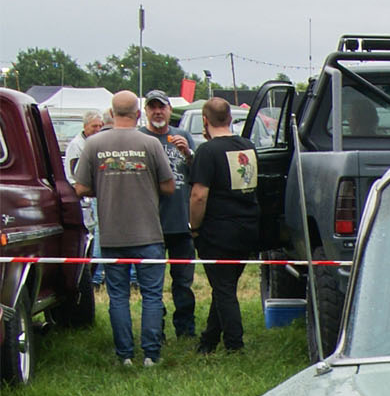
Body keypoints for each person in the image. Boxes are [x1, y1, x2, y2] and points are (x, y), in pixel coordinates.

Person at [72, 90, 175, 367]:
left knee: (117, 296)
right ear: (138, 113)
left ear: (112, 112)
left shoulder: (93, 144)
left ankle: (125, 355)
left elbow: (80, 187)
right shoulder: (150, 143)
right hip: (148, 232)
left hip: (112, 234)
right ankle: (151, 355)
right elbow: (169, 185)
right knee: (152, 294)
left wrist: (105, 187)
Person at [188, 97, 260, 355]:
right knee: (225, 286)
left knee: (224, 288)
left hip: (218, 230)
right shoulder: (248, 146)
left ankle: (235, 345)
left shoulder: (207, 152)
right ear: (230, 118)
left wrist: (194, 227)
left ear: (205, 121)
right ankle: (208, 341)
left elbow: (199, 195)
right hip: (248, 227)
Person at [142, 89, 198, 338]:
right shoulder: (140, 138)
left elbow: (199, 174)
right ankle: (157, 330)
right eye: (152, 107)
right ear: (145, 111)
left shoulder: (182, 136)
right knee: (152, 284)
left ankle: (185, 329)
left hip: (180, 222)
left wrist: (188, 153)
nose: (157, 111)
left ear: (168, 110)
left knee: (183, 282)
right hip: (149, 224)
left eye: (161, 107)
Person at [64, 111, 105, 285]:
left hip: (97, 193)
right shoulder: (77, 145)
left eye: (100, 126)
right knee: (95, 236)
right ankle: (94, 277)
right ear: (85, 126)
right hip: (85, 196)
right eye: (94, 126)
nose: (97, 129)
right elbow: (74, 175)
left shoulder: (98, 143)